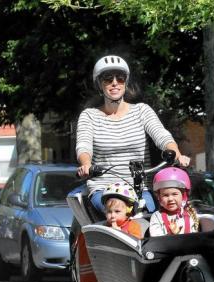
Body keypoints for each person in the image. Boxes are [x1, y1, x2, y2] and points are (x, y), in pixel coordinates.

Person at [75, 54, 190, 214]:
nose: (114, 83)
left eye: (120, 78)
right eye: (108, 79)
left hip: (141, 187)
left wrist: (177, 155)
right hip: (105, 188)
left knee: (156, 216)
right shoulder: (90, 116)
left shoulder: (141, 111)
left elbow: (162, 136)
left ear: (125, 82)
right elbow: (83, 145)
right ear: (99, 84)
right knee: (119, 212)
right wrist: (86, 164)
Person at [149, 167, 199, 236]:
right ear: (159, 197)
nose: (170, 199)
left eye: (174, 194)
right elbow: (156, 239)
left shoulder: (190, 216)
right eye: (165, 195)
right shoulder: (157, 217)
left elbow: (195, 240)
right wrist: (171, 234)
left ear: (183, 196)